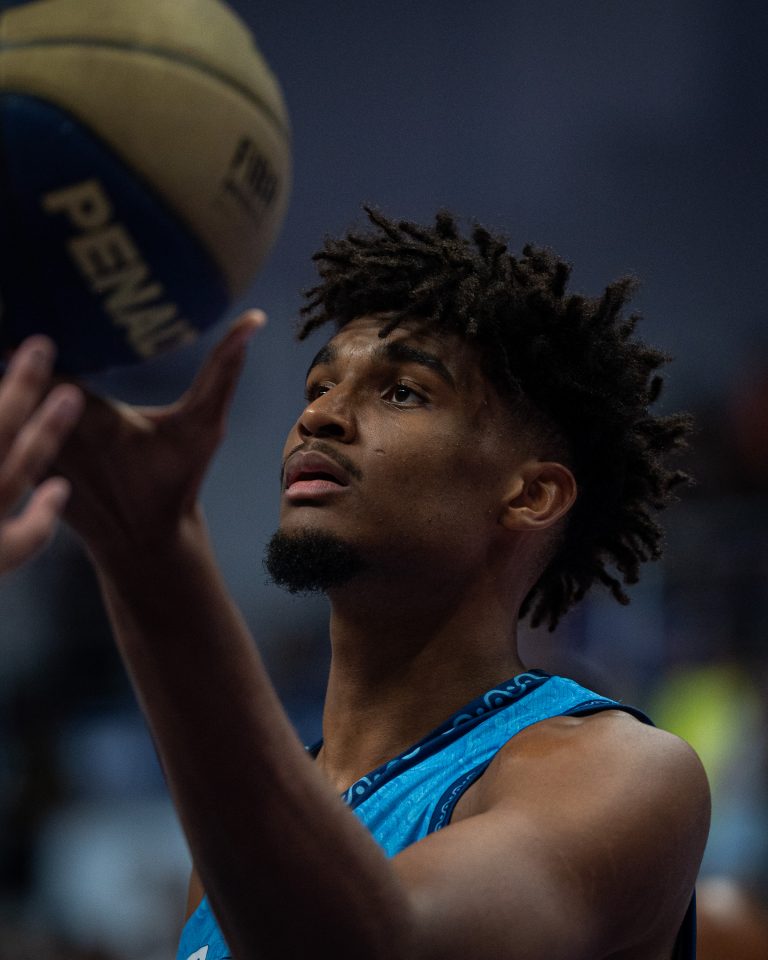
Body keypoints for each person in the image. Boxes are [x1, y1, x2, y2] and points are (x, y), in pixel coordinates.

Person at [4, 209, 710, 959]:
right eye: (319, 384)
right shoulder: (237, 844)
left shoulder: (623, 770)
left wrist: (154, 556)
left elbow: (375, 942)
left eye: (402, 391)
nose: (320, 416)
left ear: (530, 495)